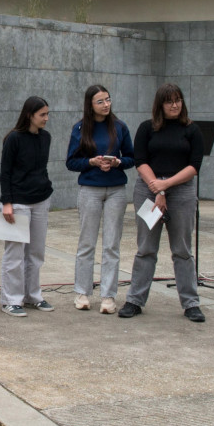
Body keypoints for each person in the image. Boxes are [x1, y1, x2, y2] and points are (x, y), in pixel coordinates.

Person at [119, 83, 205, 322]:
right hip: (148, 190)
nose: (175, 105)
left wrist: (166, 186)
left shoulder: (192, 130)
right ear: (160, 104)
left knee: (182, 251)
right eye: (169, 101)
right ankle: (135, 300)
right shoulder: (147, 128)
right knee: (146, 248)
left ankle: (190, 304)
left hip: (182, 192)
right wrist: (157, 186)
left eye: (178, 100)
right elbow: (140, 159)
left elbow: (194, 166)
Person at [65, 85, 134, 314]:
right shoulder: (81, 128)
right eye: (100, 102)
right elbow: (71, 162)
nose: (106, 105)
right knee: (86, 243)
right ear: (90, 105)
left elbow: (132, 157)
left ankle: (108, 296)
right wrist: (92, 162)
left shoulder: (120, 126)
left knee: (112, 244)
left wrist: (117, 162)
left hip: (116, 189)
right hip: (90, 189)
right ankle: (82, 292)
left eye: (108, 100)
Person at [0, 96, 54, 317]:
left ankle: (33, 295)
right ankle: (10, 300)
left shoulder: (46, 138)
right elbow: (5, 172)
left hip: (41, 200)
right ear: (30, 115)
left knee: (36, 252)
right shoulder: (13, 139)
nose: (46, 119)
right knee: (15, 254)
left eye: (48, 114)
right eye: (42, 115)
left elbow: (41, 168)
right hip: (17, 202)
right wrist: (7, 203)